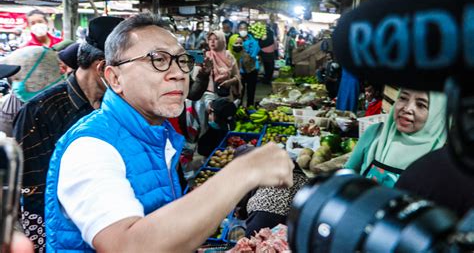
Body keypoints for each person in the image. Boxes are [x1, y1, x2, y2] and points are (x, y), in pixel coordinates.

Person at [44, 13, 294, 252]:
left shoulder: (159, 134)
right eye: (158, 60)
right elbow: (127, 246)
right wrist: (244, 171)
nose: (178, 74)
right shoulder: (92, 147)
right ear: (115, 78)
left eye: (181, 60)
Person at [13, 16, 123, 252]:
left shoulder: (118, 105)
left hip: (109, 226)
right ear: (103, 68)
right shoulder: (40, 110)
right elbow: (31, 192)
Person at [344, 89, 447, 187]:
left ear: (436, 115)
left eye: (420, 105)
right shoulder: (374, 133)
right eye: (403, 98)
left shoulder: (442, 161)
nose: (407, 109)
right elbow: (346, 175)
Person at [0, 46, 65, 136]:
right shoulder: (12, 105)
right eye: (14, 79)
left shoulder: (64, 98)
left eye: (18, 78)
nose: (15, 86)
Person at [205, 30, 241, 100]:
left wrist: (230, 82)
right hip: (209, 96)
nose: (212, 42)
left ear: (222, 41)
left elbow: (237, 76)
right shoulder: (207, 56)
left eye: (216, 39)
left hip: (227, 95)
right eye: (210, 39)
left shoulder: (229, 56)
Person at [231, 21, 260, 106]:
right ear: (238, 29)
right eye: (240, 28)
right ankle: (239, 109)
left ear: (247, 30)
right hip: (239, 70)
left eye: (244, 28)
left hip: (252, 69)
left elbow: (253, 55)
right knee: (240, 91)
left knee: (251, 91)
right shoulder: (234, 40)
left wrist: (243, 49)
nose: (242, 30)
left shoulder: (254, 41)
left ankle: (249, 108)